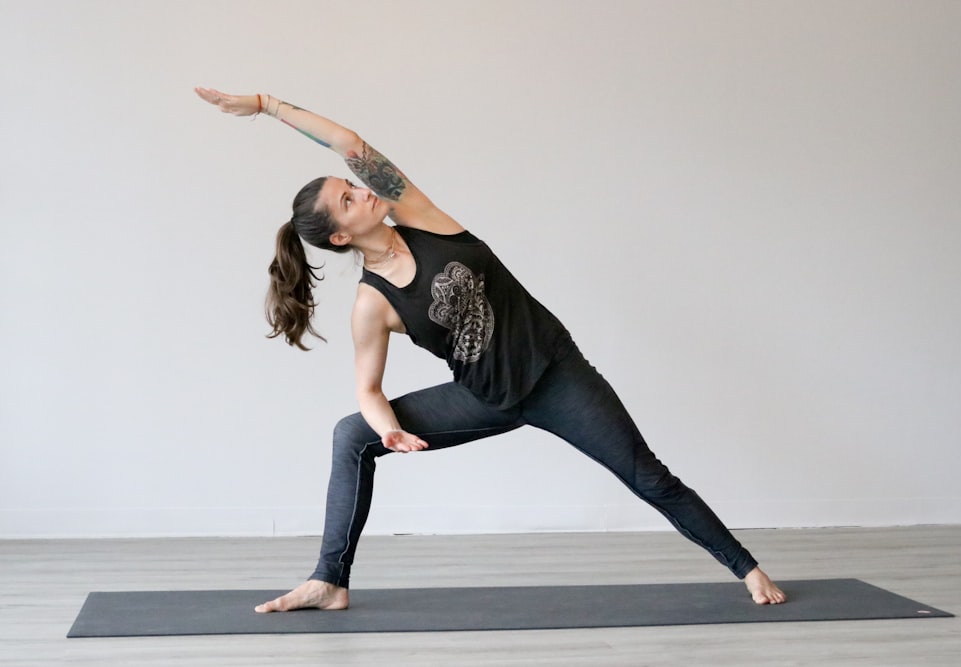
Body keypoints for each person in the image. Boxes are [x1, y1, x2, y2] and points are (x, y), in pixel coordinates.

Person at [194, 86, 787, 610]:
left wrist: (267, 105)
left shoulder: (421, 216)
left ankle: (747, 568)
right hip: (486, 399)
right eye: (348, 199)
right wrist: (390, 430)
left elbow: (349, 142)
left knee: (649, 478)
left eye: (351, 186)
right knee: (353, 433)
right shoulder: (372, 305)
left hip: (558, 377)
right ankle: (330, 581)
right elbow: (368, 390)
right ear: (342, 236)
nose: (360, 192)